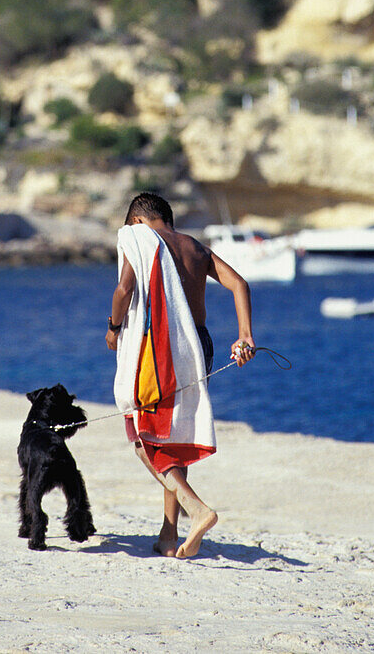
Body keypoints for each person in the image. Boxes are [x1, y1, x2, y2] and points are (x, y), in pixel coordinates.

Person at [106, 192, 255, 559]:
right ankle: (168, 534)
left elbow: (124, 289)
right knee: (173, 437)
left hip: (159, 349)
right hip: (199, 346)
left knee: (144, 437)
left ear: (138, 220)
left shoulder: (138, 238)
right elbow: (239, 284)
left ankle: (196, 508)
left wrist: (113, 327)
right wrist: (245, 335)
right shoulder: (195, 247)